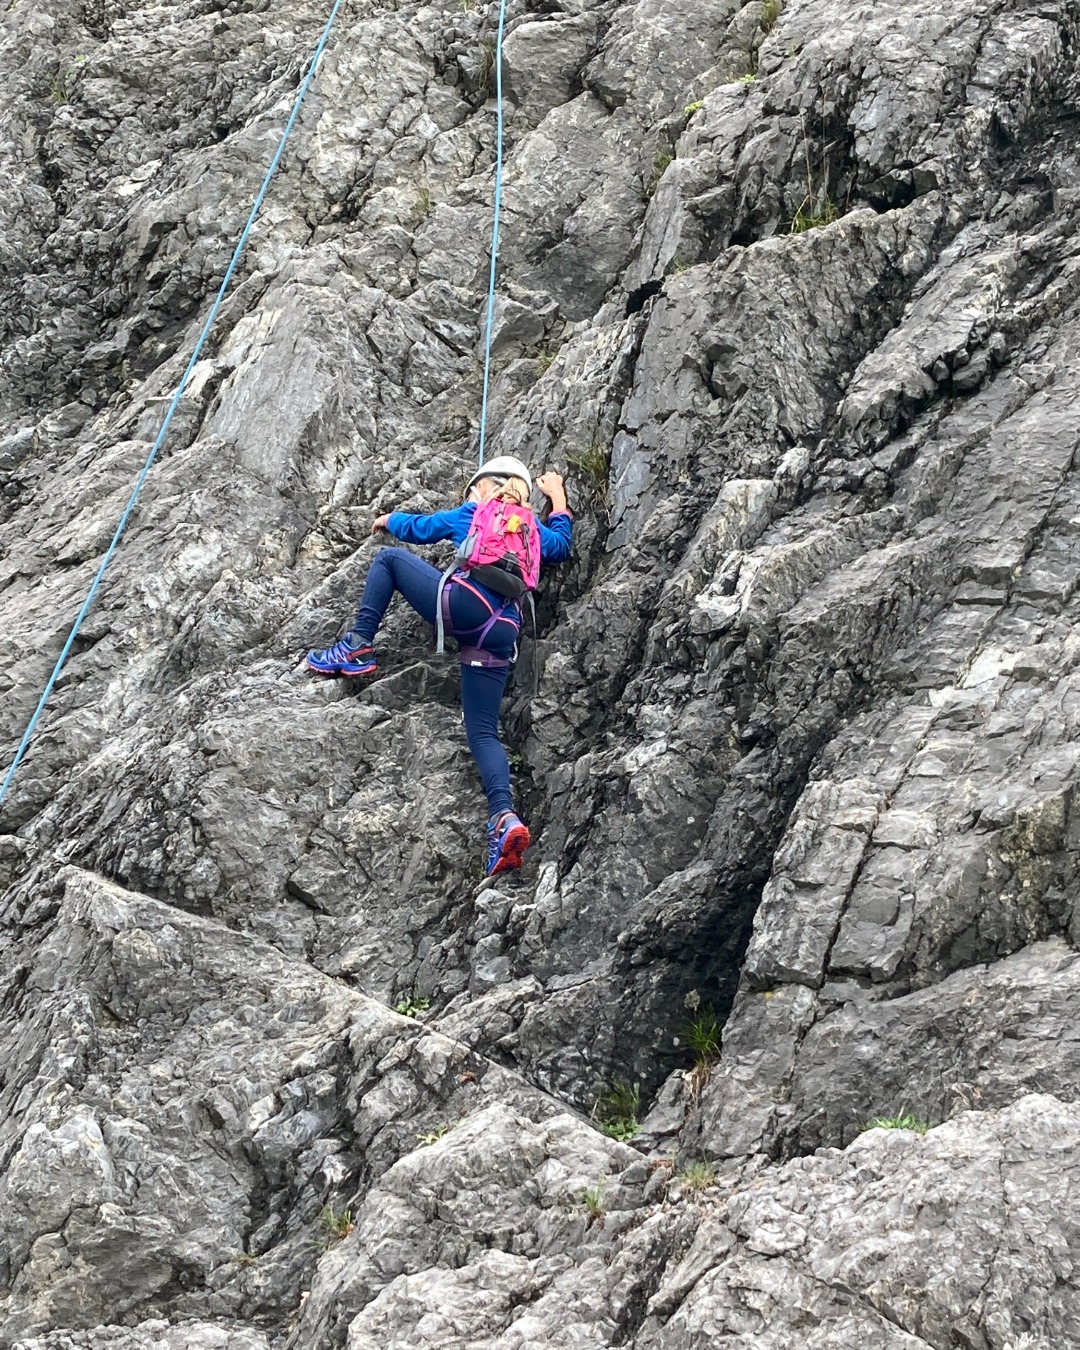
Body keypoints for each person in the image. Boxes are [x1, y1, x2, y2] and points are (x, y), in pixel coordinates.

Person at [305, 456, 572, 876]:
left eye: (472, 489)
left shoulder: (474, 511)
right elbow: (562, 543)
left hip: (464, 606)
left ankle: (357, 646)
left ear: (487, 487)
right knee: (483, 730)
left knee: (389, 561)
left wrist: (389, 518)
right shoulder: (532, 530)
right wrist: (556, 496)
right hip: (503, 630)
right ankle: (504, 817)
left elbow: (422, 529)